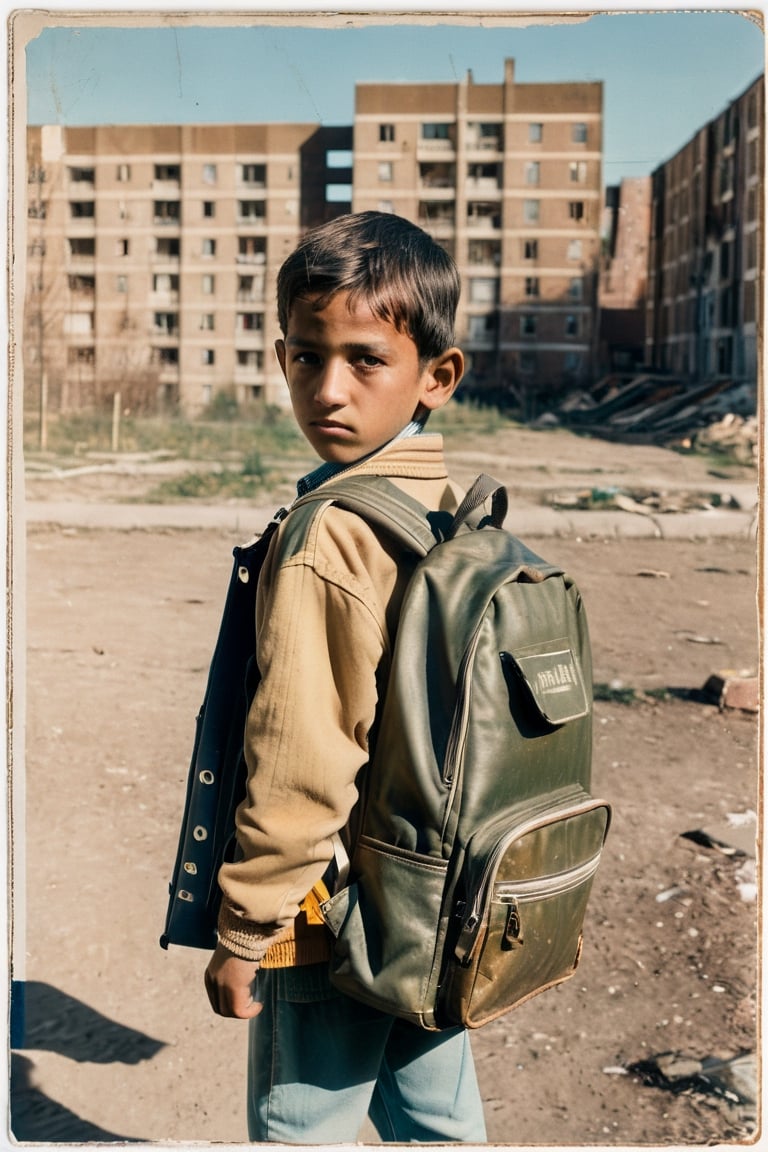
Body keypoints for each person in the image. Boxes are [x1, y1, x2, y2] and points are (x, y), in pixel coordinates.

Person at [204, 211, 487, 1144]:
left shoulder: (330, 533)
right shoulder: (442, 502)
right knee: (436, 1124)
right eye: (305, 356)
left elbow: (303, 758)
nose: (328, 389)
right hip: (435, 895)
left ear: (436, 376)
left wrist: (247, 932)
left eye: (366, 359)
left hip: (332, 916)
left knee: (301, 1128)